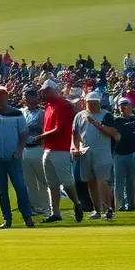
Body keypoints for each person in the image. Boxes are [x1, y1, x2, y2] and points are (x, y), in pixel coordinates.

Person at [30, 80, 84, 223]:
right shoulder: (49, 106)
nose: (42, 93)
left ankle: (77, 203)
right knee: (52, 183)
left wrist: (42, 136)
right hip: (48, 148)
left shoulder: (62, 105)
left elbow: (59, 128)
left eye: (44, 91)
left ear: (51, 90)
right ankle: (55, 212)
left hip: (60, 148)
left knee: (66, 181)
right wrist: (44, 138)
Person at [0, 86, 34, 229]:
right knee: (2, 191)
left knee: (20, 187)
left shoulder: (17, 114)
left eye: (0, 96)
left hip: (13, 158)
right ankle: (7, 219)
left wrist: (19, 151)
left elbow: (23, 135)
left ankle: (27, 217)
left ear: (6, 97)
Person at [74, 92, 118, 220]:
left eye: (95, 102)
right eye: (90, 102)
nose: (92, 105)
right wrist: (75, 148)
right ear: (85, 102)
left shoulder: (106, 116)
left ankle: (108, 208)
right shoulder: (79, 116)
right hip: (85, 152)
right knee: (90, 181)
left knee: (102, 180)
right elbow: (75, 135)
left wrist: (96, 124)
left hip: (102, 151)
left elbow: (113, 132)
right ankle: (97, 209)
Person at [20, 86, 49, 216]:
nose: (27, 98)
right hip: (25, 149)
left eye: (30, 96)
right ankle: (34, 206)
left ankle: (46, 206)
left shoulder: (43, 112)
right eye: (25, 96)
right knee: (29, 181)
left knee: (43, 179)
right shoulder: (21, 112)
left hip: (39, 148)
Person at [111, 96, 135, 212]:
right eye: (121, 105)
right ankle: (119, 205)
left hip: (133, 153)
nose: (123, 107)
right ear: (118, 107)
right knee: (119, 181)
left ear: (130, 106)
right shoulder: (115, 121)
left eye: (126, 105)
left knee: (132, 181)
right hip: (119, 154)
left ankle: (131, 204)